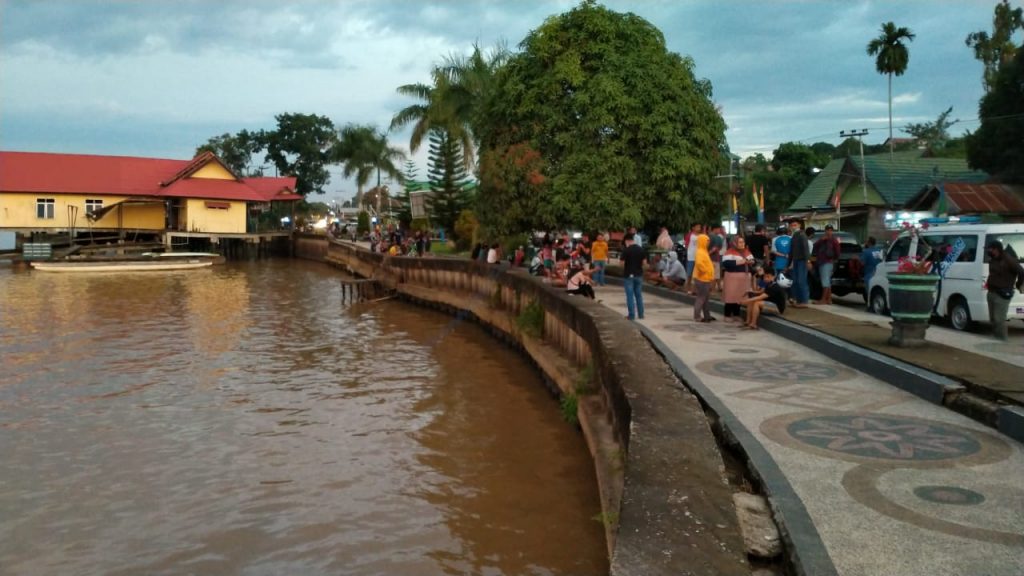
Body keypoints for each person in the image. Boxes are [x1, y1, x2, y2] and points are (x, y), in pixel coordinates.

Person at [984, 239, 1024, 341]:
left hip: (1002, 293)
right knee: (993, 319)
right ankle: (996, 339)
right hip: (991, 292)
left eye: (990, 249)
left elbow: (1021, 272)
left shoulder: (1008, 259)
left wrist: (1018, 284)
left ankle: (1002, 340)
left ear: (996, 249)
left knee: (999, 319)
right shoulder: (993, 259)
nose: (988, 251)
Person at [722, 236, 754, 322]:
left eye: (743, 242)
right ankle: (727, 315)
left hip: (744, 278)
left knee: (740, 297)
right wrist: (742, 261)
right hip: (732, 278)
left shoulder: (747, 252)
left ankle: (736, 314)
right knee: (731, 296)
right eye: (740, 242)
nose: (742, 244)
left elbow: (752, 261)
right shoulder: (729, 252)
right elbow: (727, 264)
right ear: (734, 243)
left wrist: (751, 262)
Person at [620, 232, 646, 320]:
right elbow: (644, 263)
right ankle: (641, 314)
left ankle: (631, 315)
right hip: (639, 275)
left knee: (630, 296)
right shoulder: (640, 249)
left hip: (628, 275)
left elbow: (621, 264)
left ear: (626, 241)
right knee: (639, 295)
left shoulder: (626, 250)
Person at [812, 224, 841, 305]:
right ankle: (829, 299)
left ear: (832, 231)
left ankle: (823, 299)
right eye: (827, 230)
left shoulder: (834, 240)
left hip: (827, 262)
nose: (828, 231)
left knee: (825, 281)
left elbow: (838, 252)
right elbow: (815, 246)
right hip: (821, 262)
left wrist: (833, 259)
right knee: (826, 281)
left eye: (830, 230)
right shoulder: (822, 240)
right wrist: (821, 240)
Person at [692, 233, 715, 322]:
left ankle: (707, 315)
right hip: (702, 278)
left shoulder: (703, 251)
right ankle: (697, 316)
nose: (708, 243)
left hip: (705, 278)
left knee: (705, 298)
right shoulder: (700, 252)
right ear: (702, 241)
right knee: (701, 297)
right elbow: (699, 264)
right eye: (707, 241)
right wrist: (705, 271)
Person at [787, 219, 810, 307]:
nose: (793, 226)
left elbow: (805, 248)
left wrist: (807, 261)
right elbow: (791, 252)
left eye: (795, 225)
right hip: (796, 260)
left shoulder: (801, 234)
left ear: (799, 225)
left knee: (801, 281)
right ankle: (799, 300)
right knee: (796, 281)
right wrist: (789, 264)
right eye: (792, 225)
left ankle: (804, 301)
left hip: (802, 260)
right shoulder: (794, 235)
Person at [860, 236, 882, 307]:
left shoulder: (866, 252)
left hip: (869, 275)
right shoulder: (879, 251)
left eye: (866, 241)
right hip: (878, 274)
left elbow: (862, 263)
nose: (865, 242)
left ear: (869, 243)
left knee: (869, 292)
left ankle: (870, 306)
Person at [684, 223, 703, 295]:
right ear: (693, 228)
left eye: (699, 227)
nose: (699, 228)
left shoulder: (701, 236)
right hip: (691, 257)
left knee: (697, 275)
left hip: (698, 257)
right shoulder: (689, 235)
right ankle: (687, 288)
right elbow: (686, 245)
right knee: (689, 274)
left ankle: (695, 289)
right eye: (697, 227)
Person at [709, 224, 725, 291]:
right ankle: (715, 288)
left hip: (709, 258)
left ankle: (713, 289)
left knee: (713, 275)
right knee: (716, 275)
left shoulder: (708, 236)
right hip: (716, 257)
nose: (719, 230)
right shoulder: (718, 238)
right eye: (718, 229)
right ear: (714, 229)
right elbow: (719, 247)